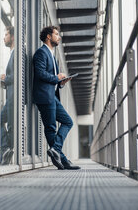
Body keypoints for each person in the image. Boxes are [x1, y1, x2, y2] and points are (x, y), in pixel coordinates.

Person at [32, 26, 80, 170]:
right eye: (56, 34)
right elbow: (40, 73)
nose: (59, 37)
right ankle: (63, 160)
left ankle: (56, 151)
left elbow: (52, 79)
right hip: (44, 97)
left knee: (68, 121)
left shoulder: (52, 55)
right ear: (48, 36)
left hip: (52, 96)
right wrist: (56, 77)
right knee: (51, 128)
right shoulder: (41, 53)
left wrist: (61, 83)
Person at [0, 26, 14, 165]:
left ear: (13, 37)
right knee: (10, 127)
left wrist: (5, 78)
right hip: (11, 96)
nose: (4, 38)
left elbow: (18, 76)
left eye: (6, 35)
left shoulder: (17, 54)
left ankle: (6, 149)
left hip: (13, 97)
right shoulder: (13, 54)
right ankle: (7, 151)